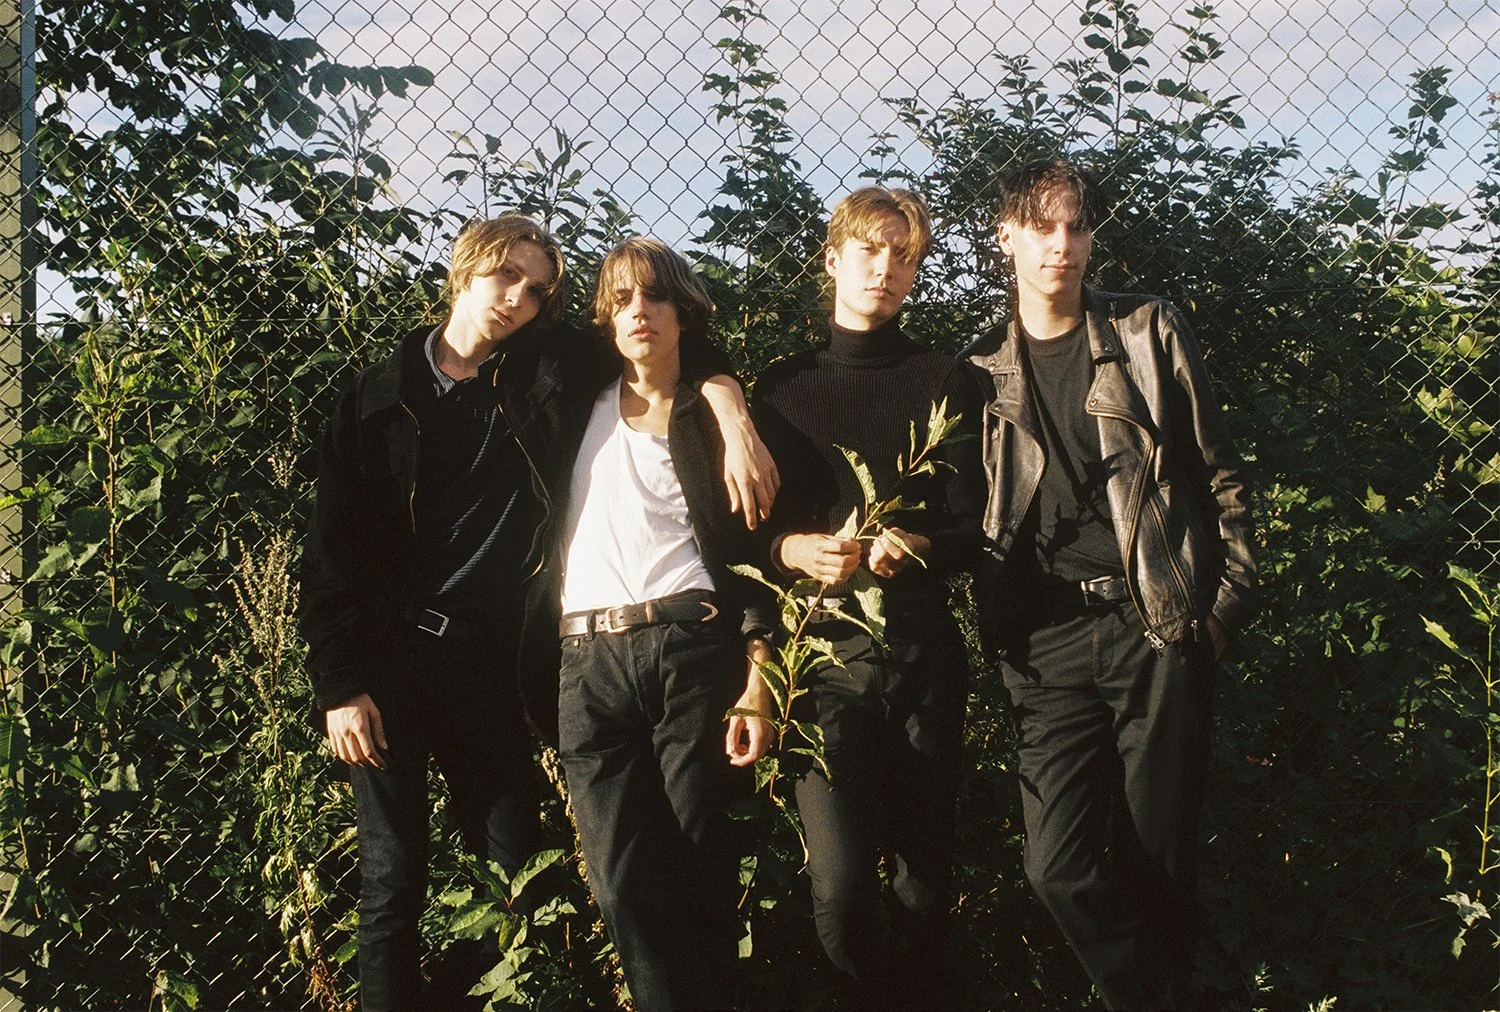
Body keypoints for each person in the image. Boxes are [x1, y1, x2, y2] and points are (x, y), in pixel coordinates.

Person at [298, 215, 775, 1011]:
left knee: (519, 868)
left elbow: (660, 334)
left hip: (487, 665)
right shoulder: (378, 398)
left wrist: (730, 408)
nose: (518, 298)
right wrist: (339, 684)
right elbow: (330, 551)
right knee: (391, 880)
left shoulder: (543, 374)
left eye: (537, 290)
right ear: (464, 272)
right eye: (505, 277)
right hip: (387, 664)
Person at [966, 158, 1258, 1009]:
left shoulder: (1145, 330)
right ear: (1006, 237)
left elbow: (1218, 472)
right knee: (1054, 869)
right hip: (1045, 644)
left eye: (1076, 226)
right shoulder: (981, 369)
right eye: (1041, 227)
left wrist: (1224, 607)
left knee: (1157, 862)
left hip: (1156, 624)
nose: (1061, 244)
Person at [753, 186, 986, 1007]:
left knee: (922, 883)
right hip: (820, 660)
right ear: (832, 259)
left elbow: (978, 528)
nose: (885, 269)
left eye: (904, 257)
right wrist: (791, 549)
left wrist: (919, 546)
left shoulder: (944, 380)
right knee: (843, 888)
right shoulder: (781, 390)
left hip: (921, 654)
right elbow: (745, 533)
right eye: (869, 251)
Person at [553, 237, 777, 1010]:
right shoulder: (571, 404)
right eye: (621, 300)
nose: (638, 312)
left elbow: (747, 556)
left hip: (690, 648)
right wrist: (728, 392)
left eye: (654, 297)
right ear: (605, 319)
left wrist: (758, 674)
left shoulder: (708, 417)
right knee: (620, 885)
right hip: (587, 660)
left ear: (685, 311)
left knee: (700, 869)